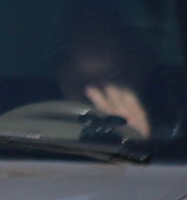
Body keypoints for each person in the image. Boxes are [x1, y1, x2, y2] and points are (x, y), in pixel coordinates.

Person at [56, 8, 153, 140]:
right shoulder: (33, 127)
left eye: (113, 78)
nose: (96, 95)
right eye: (81, 83)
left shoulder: (173, 130)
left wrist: (134, 135)